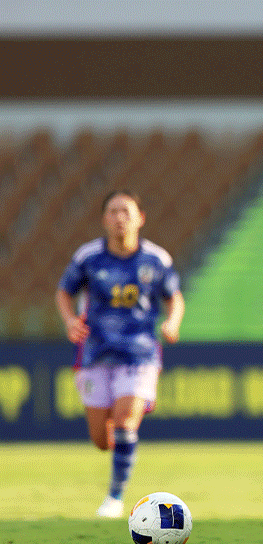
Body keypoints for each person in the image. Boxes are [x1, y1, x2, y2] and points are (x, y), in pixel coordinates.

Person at [55, 189, 184, 518]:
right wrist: (70, 320)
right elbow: (64, 292)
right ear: (103, 219)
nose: (119, 218)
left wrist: (172, 321)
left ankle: (114, 497)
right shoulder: (88, 256)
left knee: (126, 423)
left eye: (126, 211)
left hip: (139, 353)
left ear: (141, 218)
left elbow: (174, 297)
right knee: (101, 439)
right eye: (112, 211)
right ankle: (122, 444)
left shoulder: (156, 259)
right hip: (95, 354)